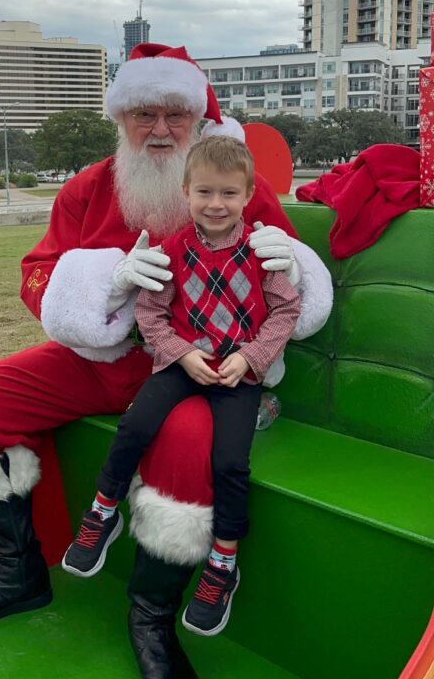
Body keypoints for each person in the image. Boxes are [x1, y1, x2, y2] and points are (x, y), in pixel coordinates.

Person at [0, 43, 333, 679]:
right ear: (121, 120)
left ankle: (151, 619)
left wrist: (294, 268)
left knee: (188, 445)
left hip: (198, 367)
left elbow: (286, 280)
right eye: (143, 114)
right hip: (102, 358)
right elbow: (38, 278)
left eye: (175, 115)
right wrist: (105, 283)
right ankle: (22, 573)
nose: (160, 129)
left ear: (198, 120)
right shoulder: (86, 189)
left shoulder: (231, 181)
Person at [62, 136, 301, 640]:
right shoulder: (172, 249)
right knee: (135, 426)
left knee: (230, 463)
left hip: (237, 371)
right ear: (186, 192)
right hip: (181, 361)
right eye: (205, 193)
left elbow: (286, 312)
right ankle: (103, 512)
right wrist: (181, 353)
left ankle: (223, 562)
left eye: (230, 194)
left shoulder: (260, 252)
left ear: (248, 194)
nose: (217, 205)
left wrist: (251, 358)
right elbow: (149, 312)